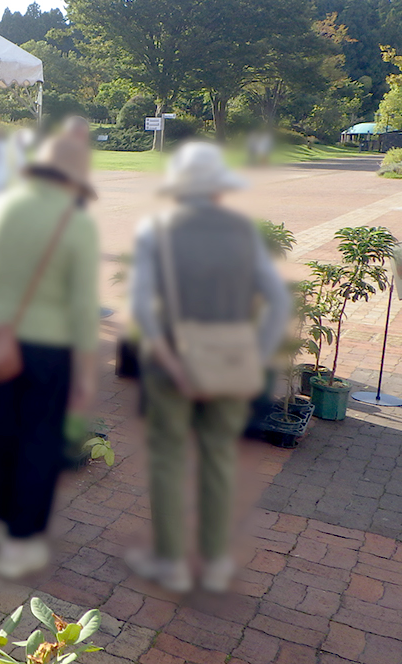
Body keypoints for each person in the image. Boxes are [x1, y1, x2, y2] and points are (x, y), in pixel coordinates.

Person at [128, 142, 289, 594]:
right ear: (218, 189)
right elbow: (277, 302)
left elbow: (141, 306)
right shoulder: (242, 231)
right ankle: (216, 561)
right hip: (231, 358)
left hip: (170, 361)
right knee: (219, 458)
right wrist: (256, 356)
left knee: (167, 461)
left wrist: (171, 361)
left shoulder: (156, 230)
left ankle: (172, 564)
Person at [0, 135, 100, 579]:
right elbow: (83, 306)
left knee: (1, 434)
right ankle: (23, 541)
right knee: (39, 440)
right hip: (49, 346)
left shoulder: (1, 208)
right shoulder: (76, 222)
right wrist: (86, 371)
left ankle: (7, 525)